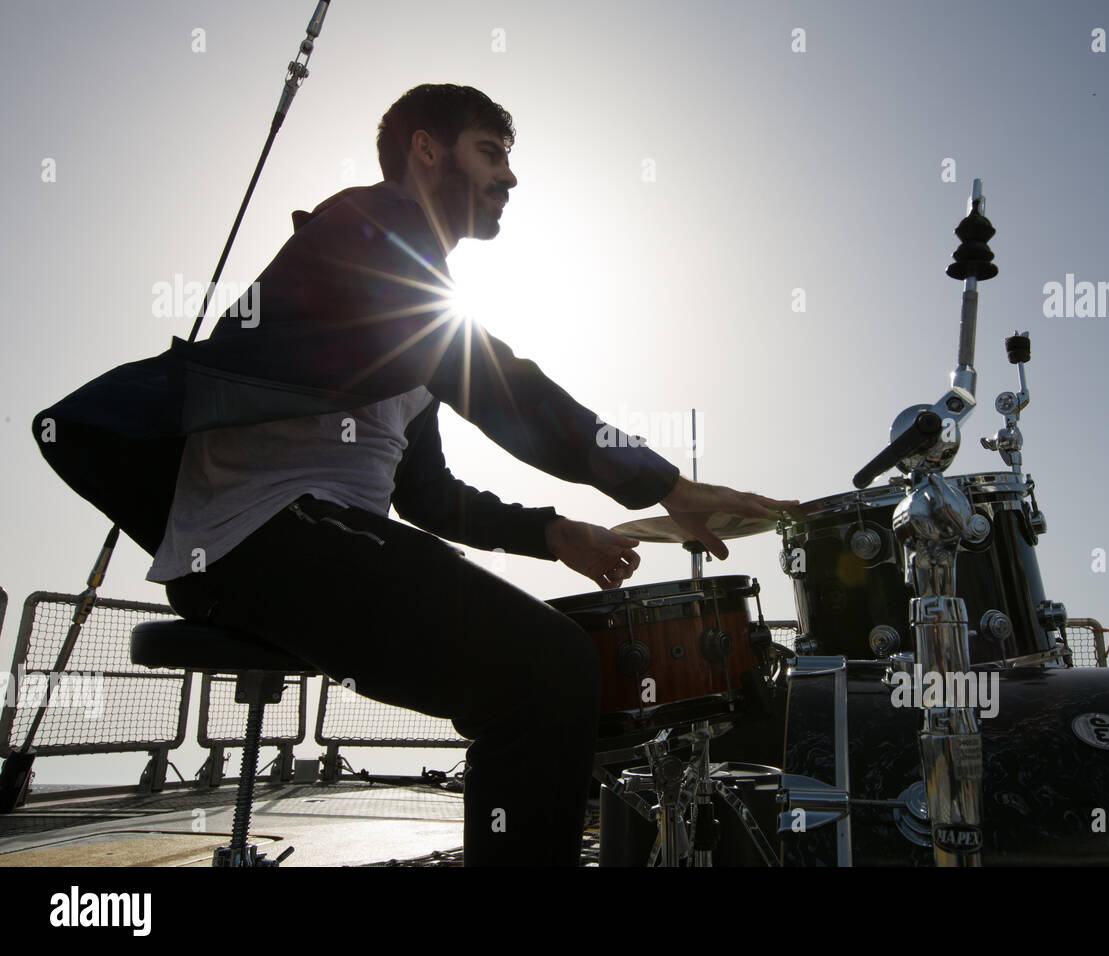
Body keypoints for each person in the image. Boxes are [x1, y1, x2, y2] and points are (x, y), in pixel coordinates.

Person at [33, 83, 796, 866]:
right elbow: (493, 375)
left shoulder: (409, 329)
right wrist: (659, 482)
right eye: (490, 153)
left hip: (316, 537)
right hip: (257, 532)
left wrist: (551, 532)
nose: (509, 178)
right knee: (548, 668)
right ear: (426, 149)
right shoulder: (362, 229)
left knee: (548, 670)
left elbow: (427, 495)